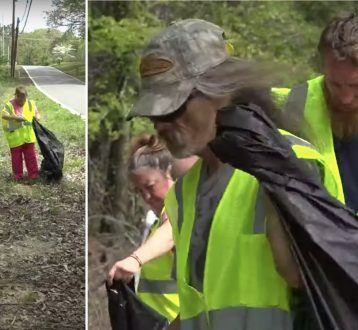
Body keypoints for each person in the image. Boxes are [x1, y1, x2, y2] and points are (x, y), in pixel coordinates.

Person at [108, 19, 335, 330]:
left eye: (172, 109)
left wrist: (280, 188)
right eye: (154, 113)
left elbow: (322, 289)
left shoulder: (291, 163)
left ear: (221, 91)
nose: (160, 125)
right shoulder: (184, 195)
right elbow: (200, 308)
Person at [273, 14, 358, 212]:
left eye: (355, 86)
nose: (345, 98)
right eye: (334, 84)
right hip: (314, 235)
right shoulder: (291, 105)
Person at [128, 133, 197, 324]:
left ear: (170, 174)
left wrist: (135, 259)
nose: (146, 197)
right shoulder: (156, 221)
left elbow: (172, 230)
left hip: (172, 320)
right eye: (139, 191)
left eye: (150, 186)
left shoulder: (177, 211)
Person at [1, 86, 40, 181]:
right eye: (20, 99)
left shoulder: (30, 103)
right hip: (15, 138)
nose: (22, 102)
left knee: (31, 157)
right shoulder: (9, 105)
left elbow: (37, 113)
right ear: (16, 96)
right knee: (16, 159)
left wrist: (38, 117)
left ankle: (33, 175)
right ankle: (18, 176)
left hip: (28, 137)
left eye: (24, 99)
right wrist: (15, 118)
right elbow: (4, 115)